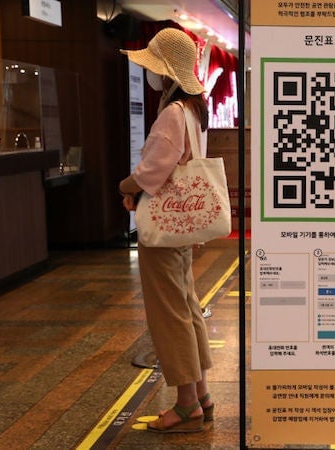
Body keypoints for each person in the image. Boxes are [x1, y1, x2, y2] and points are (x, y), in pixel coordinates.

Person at [118, 27, 214, 433]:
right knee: (187, 308)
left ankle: (187, 403)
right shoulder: (193, 110)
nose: (150, 75)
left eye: (155, 67)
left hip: (163, 230)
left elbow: (153, 169)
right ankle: (202, 394)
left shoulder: (172, 114)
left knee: (169, 314)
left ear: (167, 71)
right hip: (184, 226)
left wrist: (128, 187)